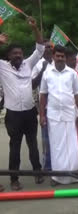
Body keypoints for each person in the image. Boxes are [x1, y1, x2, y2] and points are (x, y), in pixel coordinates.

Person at [0, 17, 44, 190]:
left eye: (19, 53)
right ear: (8, 56)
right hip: (13, 115)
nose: (18, 55)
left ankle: (38, 173)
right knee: (15, 147)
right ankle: (14, 179)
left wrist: (34, 28)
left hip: (29, 112)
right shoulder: (2, 66)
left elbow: (40, 47)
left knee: (33, 144)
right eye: (14, 53)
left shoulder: (28, 64)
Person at [39, 45, 78, 185]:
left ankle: (74, 175)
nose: (59, 58)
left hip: (70, 114)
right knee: (56, 146)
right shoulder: (47, 73)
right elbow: (43, 95)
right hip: (53, 115)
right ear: (53, 56)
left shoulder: (72, 73)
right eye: (57, 56)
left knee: (71, 145)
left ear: (65, 58)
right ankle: (57, 177)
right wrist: (42, 115)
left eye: (62, 56)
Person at [31, 39, 53, 171]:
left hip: (60, 107)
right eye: (47, 47)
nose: (49, 49)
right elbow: (33, 85)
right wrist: (43, 70)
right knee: (47, 138)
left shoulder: (58, 61)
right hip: (45, 106)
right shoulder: (38, 64)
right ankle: (48, 165)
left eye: (51, 47)